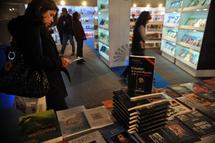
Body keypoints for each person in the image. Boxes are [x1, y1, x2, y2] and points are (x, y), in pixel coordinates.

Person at [8, 0, 72, 111]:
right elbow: (35, 60)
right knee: (58, 115)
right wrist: (59, 62)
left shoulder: (31, 26)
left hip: (44, 81)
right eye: (50, 15)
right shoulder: (33, 28)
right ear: (40, 10)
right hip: (44, 83)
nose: (52, 20)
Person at [121, 11, 151, 78]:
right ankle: (148, 75)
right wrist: (152, 37)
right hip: (139, 47)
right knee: (139, 61)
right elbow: (144, 37)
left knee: (136, 62)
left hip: (136, 46)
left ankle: (124, 75)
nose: (149, 20)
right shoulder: (141, 26)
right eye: (148, 18)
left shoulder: (139, 24)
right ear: (145, 18)